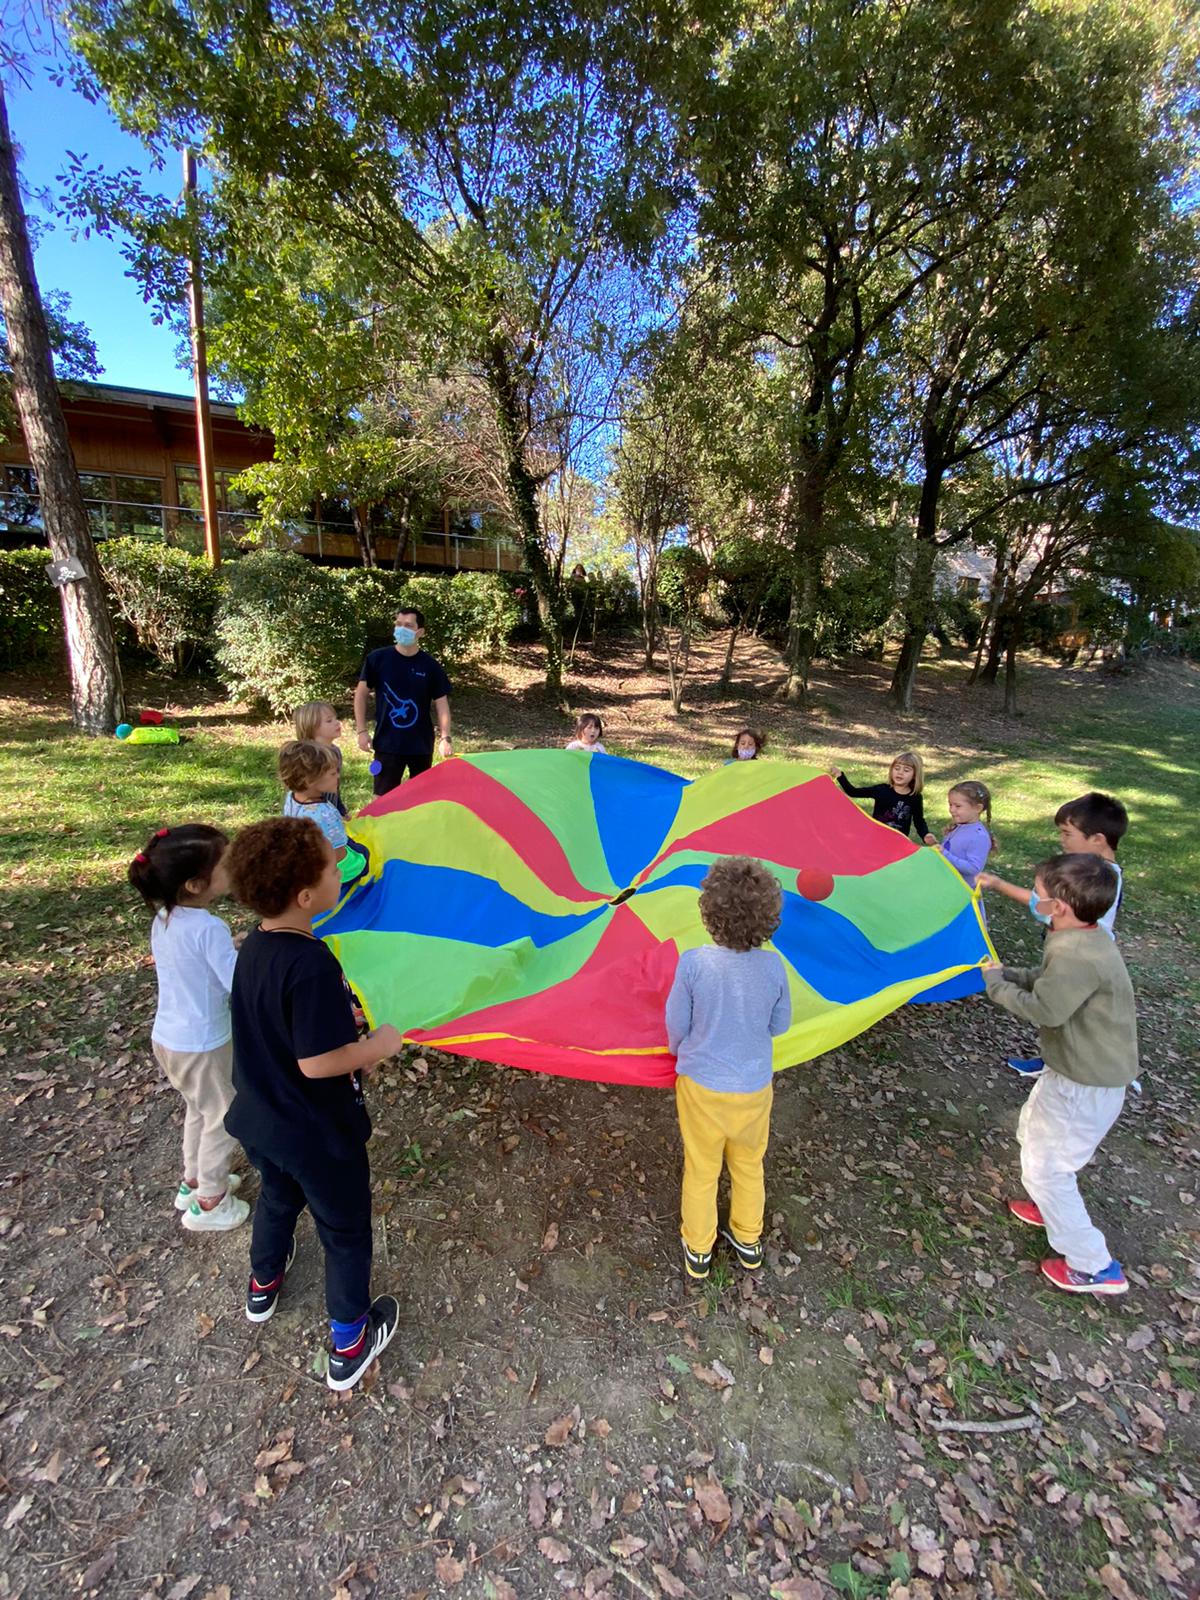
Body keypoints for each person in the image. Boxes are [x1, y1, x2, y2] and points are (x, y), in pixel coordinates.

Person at [224, 817, 404, 1391]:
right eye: (333, 866)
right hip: (317, 1137)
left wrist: (339, 1026)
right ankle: (350, 1344)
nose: (341, 869)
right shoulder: (312, 963)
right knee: (345, 1231)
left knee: (278, 1199)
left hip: (261, 1121)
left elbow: (279, 1024)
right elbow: (316, 1062)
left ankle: (262, 1284)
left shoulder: (256, 945)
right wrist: (376, 1046)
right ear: (306, 896)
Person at [982, 853, 1137, 1296]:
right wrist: (1012, 974)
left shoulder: (1077, 955)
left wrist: (999, 987)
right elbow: (1049, 978)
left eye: (1038, 895)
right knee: (1032, 1131)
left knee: (1048, 1169)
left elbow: (1046, 1009)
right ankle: (1049, 1204)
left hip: (1086, 1083)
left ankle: (1093, 1265)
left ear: (1060, 907)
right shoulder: (1081, 938)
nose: (1034, 900)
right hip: (1074, 1071)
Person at [665, 856, 791, 1280]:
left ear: (709, 914)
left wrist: (678, 1050)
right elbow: (780, 1025)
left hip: (701, 1086)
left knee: (702, 1169)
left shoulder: (694, 964)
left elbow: (677, 1022)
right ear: (768, 917)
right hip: (753, 1088)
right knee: (749, 1165)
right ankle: (748, 1239)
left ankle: (699, 1247)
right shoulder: (773, 967)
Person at [128, 825, 249, 1233]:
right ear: (197, 884)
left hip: (169, 1038)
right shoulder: (208, 928)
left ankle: (193, 1180)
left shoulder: (164, 918)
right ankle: (211, 1200)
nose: (233, 867)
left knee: (199, 1108)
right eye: (226, 864)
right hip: (204, 1043)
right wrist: (255, 960)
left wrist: (228, 950)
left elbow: (195, 965)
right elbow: (237, 983)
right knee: (224, 1114)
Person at [977, 792, 1128, 1080]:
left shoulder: (1092, 881)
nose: (1062, 840)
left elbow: (1044, 906)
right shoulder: (1095, 874)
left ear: (1097, 839)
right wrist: (998, 884)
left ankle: (1060, 1066)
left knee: (1065, 1011)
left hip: (1079, 957)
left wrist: (998, 985)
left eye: (1067, 833)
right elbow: (1045, 905)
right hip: (1075, 950)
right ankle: (1055, 1061)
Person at [354, 607, 453, 797]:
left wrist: (445, 738)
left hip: (420, 745)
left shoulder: (431, 666)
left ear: (420, 632)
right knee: (383, 801)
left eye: (408, 625)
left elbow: (441, 703)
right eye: (398, 624)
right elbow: (360, 694)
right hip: (386, 743)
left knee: (421, 800)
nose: (402, 629)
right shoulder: (377, 659)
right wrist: (361, 731)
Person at [829, 753, 937, 844]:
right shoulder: (881, 790)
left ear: (914, 775)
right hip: (875, 840)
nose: (900, 772)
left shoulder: (915, 797)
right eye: (897, 768)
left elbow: (919, 821)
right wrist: (840, 776)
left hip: (898, 844)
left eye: (906, 770)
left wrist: (925, 834)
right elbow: (853, 792)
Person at [279, 741, 348, 862]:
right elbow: (340, 855)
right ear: (310, 780)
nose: (338, 776)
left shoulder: (291, 796)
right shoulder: (325, 813)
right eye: (333, 773)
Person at [936, 780, 995, 889]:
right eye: (950, 804)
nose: (951, 810)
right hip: (947, 883)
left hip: (961, 890)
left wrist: (944, 854)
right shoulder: (959, 826)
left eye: (958, 806)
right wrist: (935, 845)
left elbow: (973, 868)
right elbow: (952, 849)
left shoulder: (979, 837)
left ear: (978, 808)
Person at [292, 702, 347, 816]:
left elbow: (335, 787)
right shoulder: (308, 757)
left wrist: (340, 811)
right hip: (311, 814)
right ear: (312, 727)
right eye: (329, 721)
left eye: (335, 718)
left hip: (330, 812)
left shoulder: (335, 751)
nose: (337, 722)